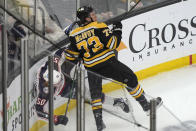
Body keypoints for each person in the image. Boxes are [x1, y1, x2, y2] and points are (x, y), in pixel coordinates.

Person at [65, 6, 162, 131]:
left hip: (91, 67)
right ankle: (146, 107)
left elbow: (71, 57)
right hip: (108, 63)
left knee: (96, 94)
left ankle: (99, 123)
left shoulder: (73, 34)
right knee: (130, 78)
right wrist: (117, 29)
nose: (95, 16)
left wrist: (79, 57)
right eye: (93, 15)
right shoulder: (99, 26)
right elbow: (113, 44)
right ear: (87, 18)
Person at [34, 47, 130, 126]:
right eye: (56, 83)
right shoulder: (44, 92)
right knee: (89, 96)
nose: (59, 82)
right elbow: (39, 111)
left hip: (64, 70)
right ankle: (117, 101)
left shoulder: (54, 64)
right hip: (64, 89)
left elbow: (62, 50)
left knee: (81, 65)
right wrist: (56, 119)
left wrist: (78, 52)